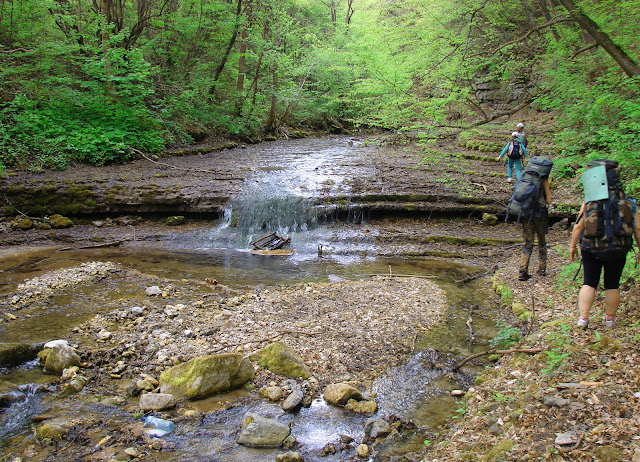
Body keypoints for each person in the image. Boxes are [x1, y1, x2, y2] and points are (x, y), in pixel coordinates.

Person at [569, 163, 640, 329]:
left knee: (589, 282)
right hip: (618, 248)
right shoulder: (627, 199)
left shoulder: (590, 200)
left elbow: (579, 226)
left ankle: (583, 319)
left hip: (592, 248)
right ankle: (609, 320)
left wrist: (572, 247)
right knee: (612, 284)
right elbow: (637, 227)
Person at [519, 173, 551, 281]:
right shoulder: (544, 179)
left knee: (527, 243)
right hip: (540, 214)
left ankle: (522, 271)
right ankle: (542, 269)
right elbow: (549, 200)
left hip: (525, 213)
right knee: (541, 240)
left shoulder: (525, 176)